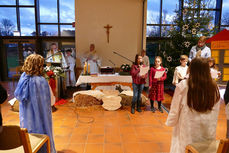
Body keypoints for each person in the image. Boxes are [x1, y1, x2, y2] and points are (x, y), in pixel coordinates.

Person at [166, 58, 220, 153]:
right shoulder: (214, 86)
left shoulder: (183, 85)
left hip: (188, 127)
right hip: (207, 127)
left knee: (184, 147)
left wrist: (171, 122)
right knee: (205, 149)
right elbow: (216, 109)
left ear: (191, 69)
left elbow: (175, 109)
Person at [14, 54, 56, 153]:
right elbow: (51, 101)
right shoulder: (42, 81)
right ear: (40, 66)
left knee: (28, 132)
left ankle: (30, 149)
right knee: (42, 131)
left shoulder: (23, 78)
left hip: (26, 115)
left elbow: (19, 96)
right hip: (42, 116)